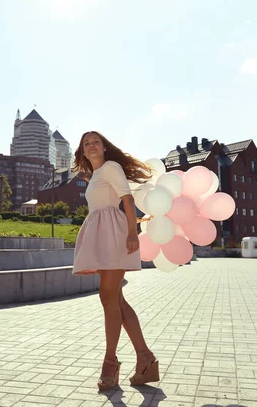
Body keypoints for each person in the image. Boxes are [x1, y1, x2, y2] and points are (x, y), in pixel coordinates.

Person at [72, 130, 160, 391]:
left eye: (95, 141)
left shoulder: (110, 167)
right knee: (116, 300)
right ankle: (145, 358)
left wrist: (133, 232)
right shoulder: (95, 175)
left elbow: (128, 199)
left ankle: (110, 363)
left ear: (105, 147)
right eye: (86, 143)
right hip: (101, 233)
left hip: (114, 234)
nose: (91, 145)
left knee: (108, 298)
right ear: (83, 151)